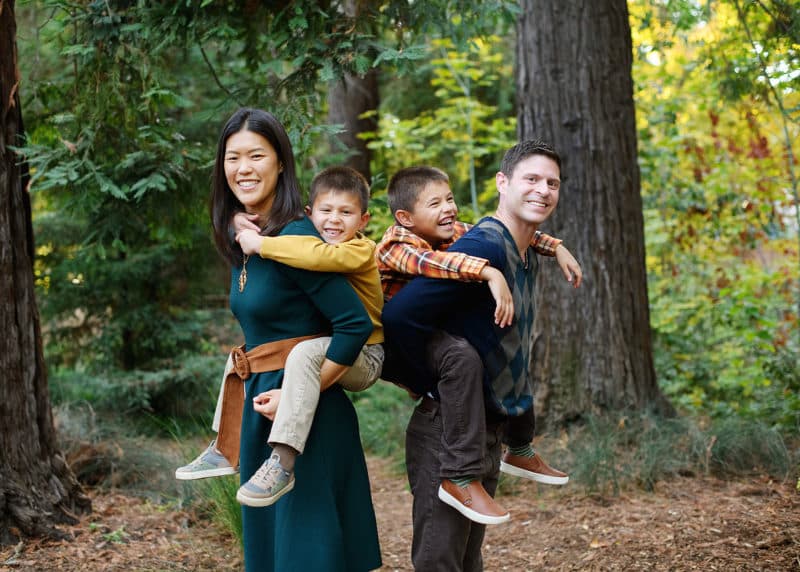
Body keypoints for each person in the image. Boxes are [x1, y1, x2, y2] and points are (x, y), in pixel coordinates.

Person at [202, 107, 381, 572]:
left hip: (308, 421)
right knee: (273, 555)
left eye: (256, 155)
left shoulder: (300, 240)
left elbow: (355, 325)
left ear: (280, 162)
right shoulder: (248, 237)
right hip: (264, 411)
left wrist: (298, 394)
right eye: (232, 157)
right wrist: (238, 226)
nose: (243, 168)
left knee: (308, 556)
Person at [381, 141, 574, 571]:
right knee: (440, 562)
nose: (543, 190)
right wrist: (428, 381)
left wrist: (555, 246)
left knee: (468, 561)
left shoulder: (521, 249)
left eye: (552, 183)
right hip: (449, 432)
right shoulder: (483, 247)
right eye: (531, 179)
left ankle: (519, 448)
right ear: (502, 184)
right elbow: (396, 317)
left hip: (488, 429)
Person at [231, 165, 384, 507]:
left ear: (363, 220)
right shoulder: (312, 237)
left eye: (346, 212)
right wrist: (236, 222)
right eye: (326, 211)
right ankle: (221, 444)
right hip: (340, 349)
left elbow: (315, 256)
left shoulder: (358, 250)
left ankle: (283, 461)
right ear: (309, 213)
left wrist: (262, 244)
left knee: (302, 354)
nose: (334, 220)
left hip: (367, 356)